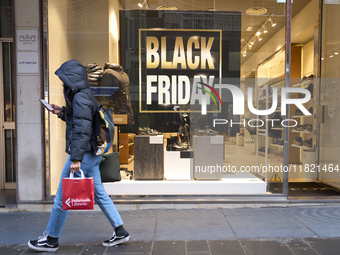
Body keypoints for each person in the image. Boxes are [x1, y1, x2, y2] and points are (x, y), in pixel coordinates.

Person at [28, 60, 129, 252]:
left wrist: (76, 159)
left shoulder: (80, 98)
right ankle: (120, 230)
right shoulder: (83, 95)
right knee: (99, 194)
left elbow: (82, 130)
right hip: (90, 153)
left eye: (64, 79)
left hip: (84, 155)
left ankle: (51, 238)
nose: (62, 83)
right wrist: (61, 112)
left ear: (71, 79)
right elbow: (82, 119)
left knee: (62, 197)